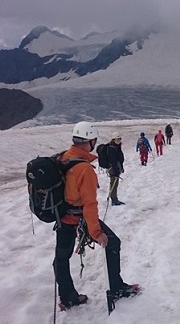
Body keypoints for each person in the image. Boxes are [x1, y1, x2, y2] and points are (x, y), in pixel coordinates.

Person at [55, 122, 139, 310]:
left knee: (61, 258)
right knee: (112, 242)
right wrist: (96, 232)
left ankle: (67, 297)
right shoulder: (84, 168)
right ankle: (116, 288)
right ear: (90, 141)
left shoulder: (64, 157)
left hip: (62, 216)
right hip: (78, 217)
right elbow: (89, 204)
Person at [106, 132, 126, 206]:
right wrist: (116, 171)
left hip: (116, 168)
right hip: (113, 169)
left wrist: (121, 167)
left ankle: (114, 198)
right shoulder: (112, 149)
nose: (119, 141)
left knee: (114, 183)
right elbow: (113, 161)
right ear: (113, 140)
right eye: (117, 139)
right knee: (114, 183)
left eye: (119, 139)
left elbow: (119, 159)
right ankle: (114, 200)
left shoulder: (117, 147)